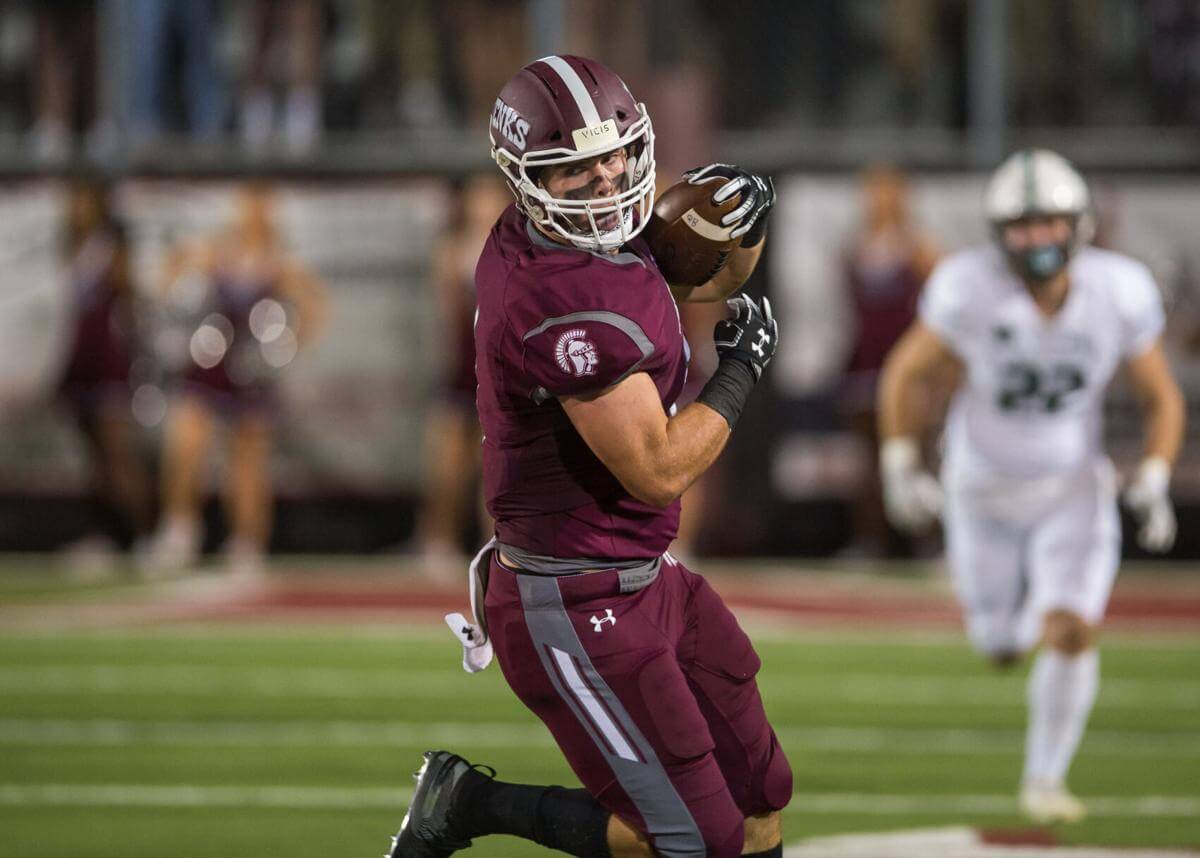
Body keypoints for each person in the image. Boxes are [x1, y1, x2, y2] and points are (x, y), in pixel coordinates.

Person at [389, 55, 791, 857]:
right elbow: (659, 466)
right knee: (697, 839)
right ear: (525, 179)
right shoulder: (559, 304)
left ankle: (469, 798)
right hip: (575, 603)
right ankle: (471, 803)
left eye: (617, 155)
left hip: (646, 573)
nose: (609, 181)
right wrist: (741, 367)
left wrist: (718, 208)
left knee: (760, 796)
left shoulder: (561, 233)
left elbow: (642, 242)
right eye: (575, 169)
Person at [877, 149, 1185, 823]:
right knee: (1000, 648)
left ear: (1080, 223)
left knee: (1072, 629)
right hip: (980, 487)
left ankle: (1045, 780)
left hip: (1072, 486)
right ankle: (1015, 622)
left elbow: (1161, 395)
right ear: (997, 232)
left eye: (1048, 222)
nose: (1036, 237)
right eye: (1021, 225)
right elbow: (904, 374)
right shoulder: (968, 285)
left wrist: (1156, 473)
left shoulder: (1120, 288)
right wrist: (900, 463)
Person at [150, 184, 327, 577]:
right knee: (186, 443)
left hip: (251, 374)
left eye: (262, 202)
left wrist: (292, 342)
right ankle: (180, 528)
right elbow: (169, 274)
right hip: (209, 367)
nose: (254, 210)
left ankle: (247, 544)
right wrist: (177, 309)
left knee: (247, 463)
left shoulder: (280, 261)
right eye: (248, 201)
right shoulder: (216, 249)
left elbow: (315, 302)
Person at [410, 174, 507, 576]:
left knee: (496, 468)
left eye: (489, 199)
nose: (481, 206)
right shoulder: (452, 250)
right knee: (446, 466)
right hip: (460, 371)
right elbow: (447, 309)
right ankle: (436, 539)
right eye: (476, 199)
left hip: (501, 374)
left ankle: (498, 547)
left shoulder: (515, 249)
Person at [840, 164, 939, 557]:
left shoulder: (918, 248)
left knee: (916, 452)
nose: (879, 200)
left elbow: (941, 312)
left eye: (887, 191)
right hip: (865, 362)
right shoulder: (855, 247)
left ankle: (929, 542)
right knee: (868, 462)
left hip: (907, 367)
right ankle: (870, 540)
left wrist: (935, 373)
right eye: (872, 192)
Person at [56, 178, 153, 569]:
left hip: (109, 362)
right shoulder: (70, 248)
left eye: (82, 200)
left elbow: (129, 301)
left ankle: (147, 534)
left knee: (118, 455)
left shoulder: (111, 248)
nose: (75, 208)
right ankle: (108, 534)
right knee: (94, 459)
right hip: (77, 359)